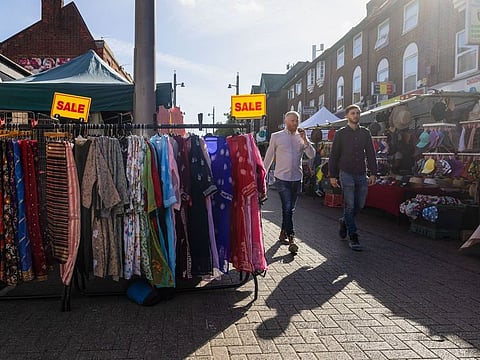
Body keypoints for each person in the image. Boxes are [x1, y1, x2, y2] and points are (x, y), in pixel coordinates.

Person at [264, 110, 315, 254]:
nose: (295, 123)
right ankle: (292, 237)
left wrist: (306, 140)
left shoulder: (301, 137)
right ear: (286, 122)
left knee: (290, 209)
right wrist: (262, 175)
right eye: (292, 120)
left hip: (296, 178)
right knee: (287, 207)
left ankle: (282, 233)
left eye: (297, 120)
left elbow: (311, 155)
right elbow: (268, 157)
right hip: (282, 179)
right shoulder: (276, 136)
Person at [328, 104, 377, 251]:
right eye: (352, 113)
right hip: (346, 172)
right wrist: (333, 175)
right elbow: (334, 156)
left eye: (357, 113)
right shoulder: (341, 133)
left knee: (359, 205)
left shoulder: (365, 133)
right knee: (349, 205)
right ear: (347, 116)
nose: (355, 115)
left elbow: (370, 153)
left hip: (361, 173)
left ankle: (344, 221)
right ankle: (353, 236)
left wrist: (373, 172)